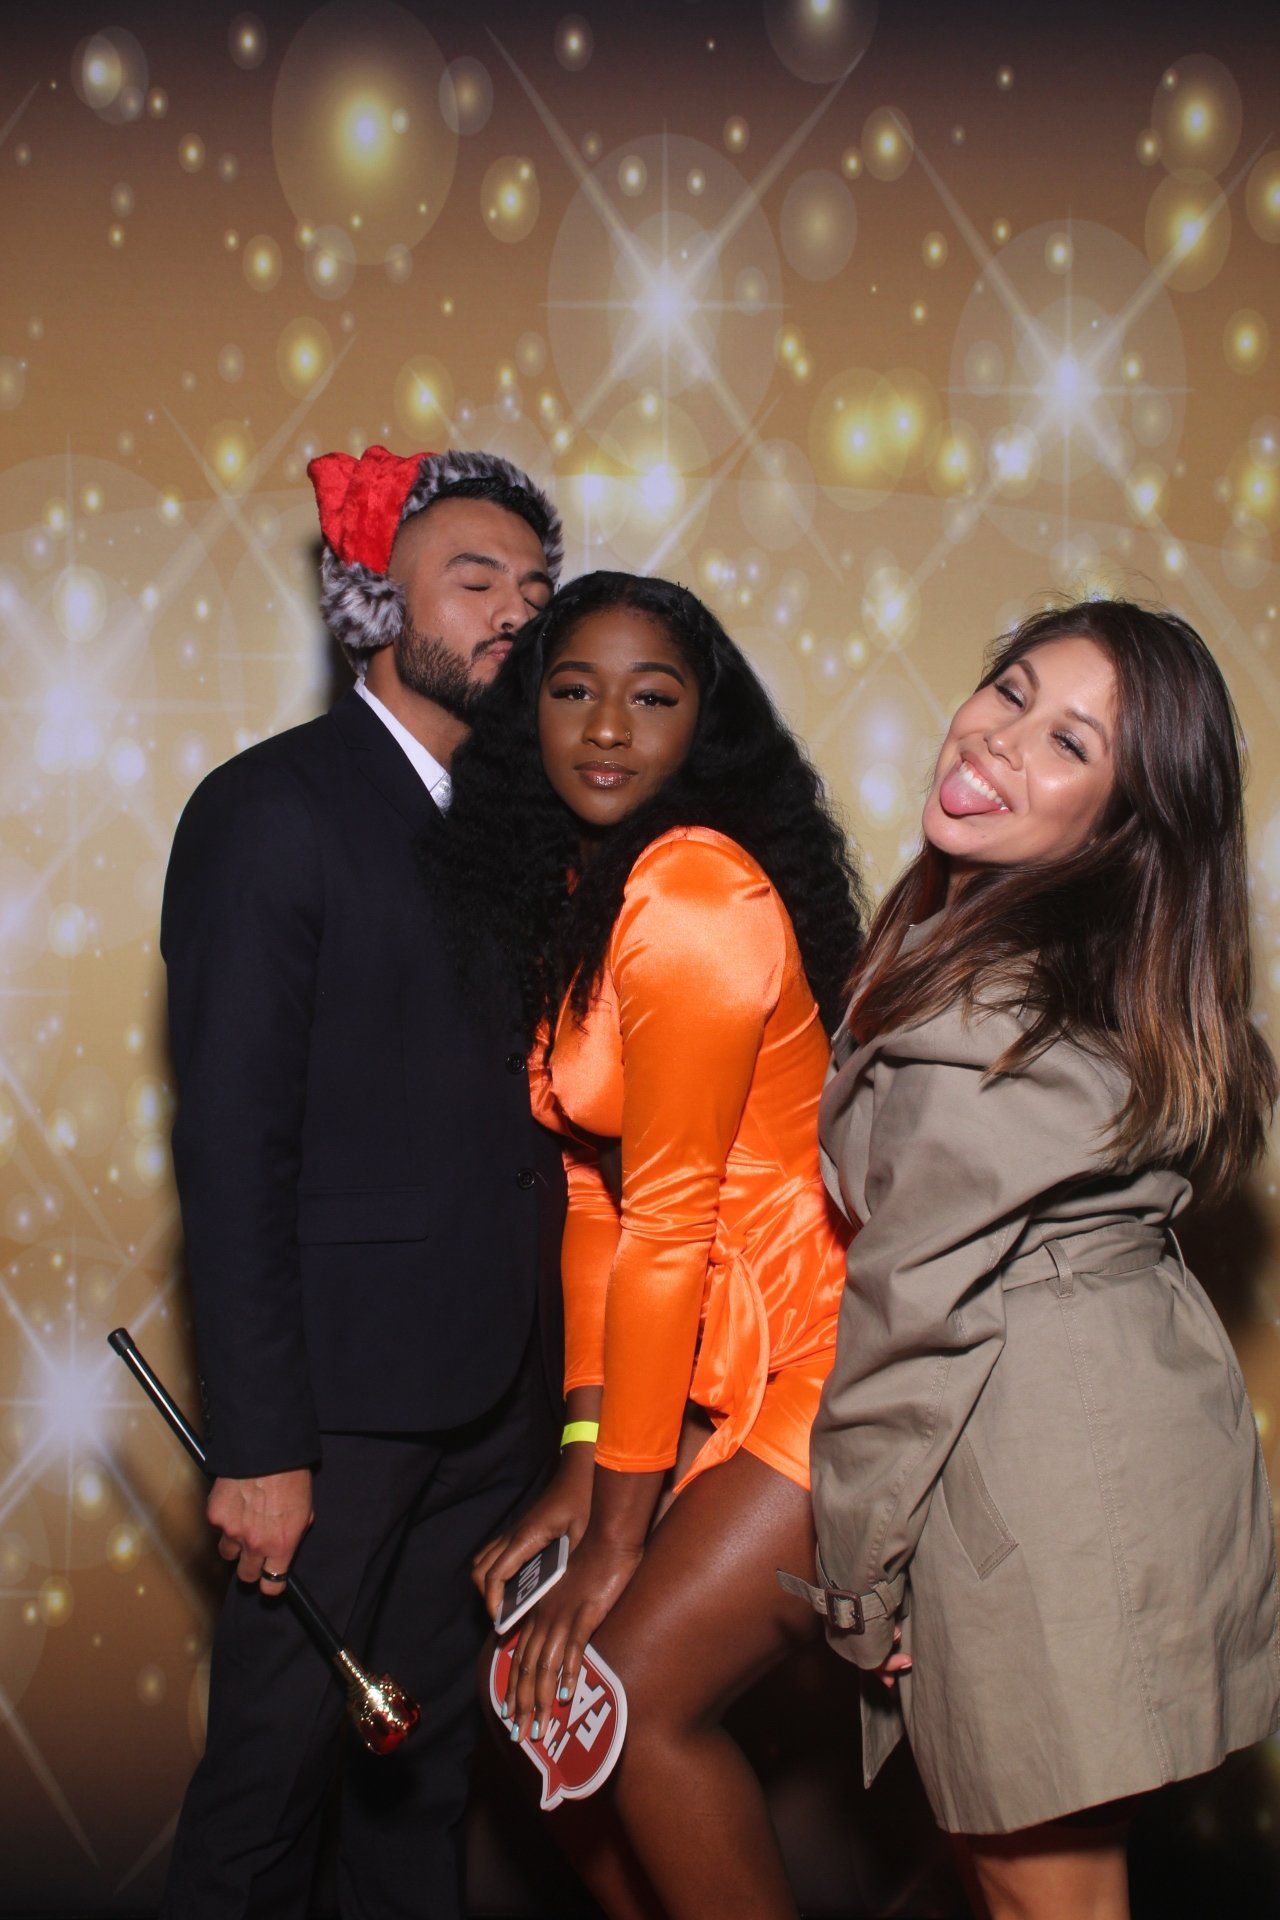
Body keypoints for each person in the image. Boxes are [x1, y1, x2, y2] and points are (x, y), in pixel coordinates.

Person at [786, 600, 1280, 1920]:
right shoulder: (1090, 980)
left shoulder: (989, 1019)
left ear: (1122, 827)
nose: (1000, 739)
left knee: (1043, 1899)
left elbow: (909, 1326)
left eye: (1068, 742)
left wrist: (855, 1584)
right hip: (1125, 1449)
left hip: (1045, 1493)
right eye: (1010, 691)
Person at [160, 444, 568, 1920]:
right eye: (475, 579)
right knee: (266, 1797)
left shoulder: (523, 828)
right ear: (373, 602)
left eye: (537, 591)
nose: (515, 612)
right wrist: (263, 1445)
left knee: (424, 1781)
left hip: (494, 1404)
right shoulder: (270, 809)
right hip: (331, 1421)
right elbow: (232, 1147)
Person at [444, 570, 865, 1920]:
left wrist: (618, 1539)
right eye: (574, 690)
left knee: (625, 1695)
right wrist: (584, 1455)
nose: (609, 727)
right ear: (531, 714)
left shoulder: (692, 891)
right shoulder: (583, 893)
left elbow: (670, 1225)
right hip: (708, 1369)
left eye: (653, 696)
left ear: (706, 726)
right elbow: (594, 1201)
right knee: (546, 1716)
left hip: (822, 1355)